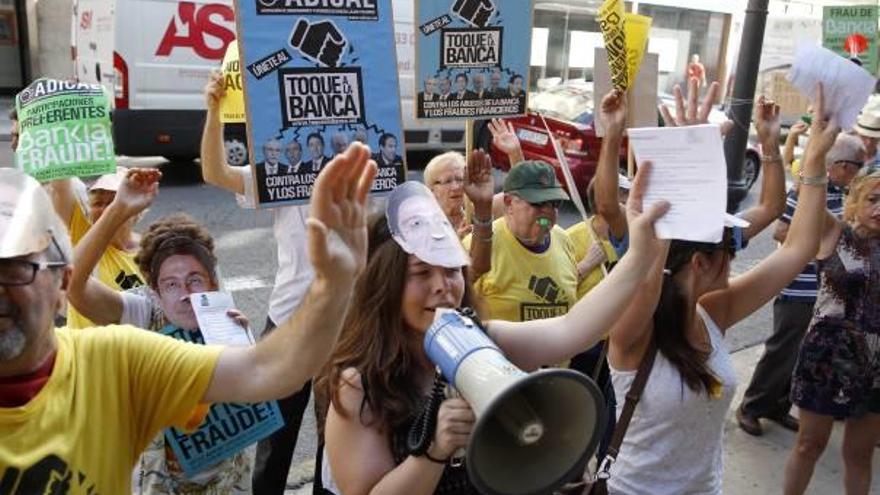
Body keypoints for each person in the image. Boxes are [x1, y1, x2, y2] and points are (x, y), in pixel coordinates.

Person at [0, 141, 376, 494]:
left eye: (16, 269)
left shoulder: (112, 357)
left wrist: (335, 284)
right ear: (154, 291)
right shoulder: (140, 316)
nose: (185, 294)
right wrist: (116, 210)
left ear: (58, 280)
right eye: (171, 283)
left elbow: (274, 371)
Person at [319, 157, 671, 494]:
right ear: (385, 285)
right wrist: (434, 450)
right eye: (422, 273)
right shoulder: (360, 384)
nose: (443, 286)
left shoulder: (480, 340)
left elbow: (571, 330)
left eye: (452, 269)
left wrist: (640, 256)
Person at [598, 83, 838, 495]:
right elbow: (645, 244)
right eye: (729, 248)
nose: (737, 255)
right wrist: (681, 161)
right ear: (701, 262)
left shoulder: (714, 313)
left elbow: (798, 249)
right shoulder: (633, 330)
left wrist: (812, 160)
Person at [200, 74, 341, 494]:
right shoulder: (282, 173)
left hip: (346, 323)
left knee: (335, 440)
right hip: (289, 321)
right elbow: (214, 172)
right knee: (274, 439)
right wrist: (213, 110)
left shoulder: (367, 176)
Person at [737, 133, 865, 437]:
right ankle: (752, 406)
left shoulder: (843, 194)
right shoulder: (806, 191)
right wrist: (823, 238)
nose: (859, 173)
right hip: (798, 287)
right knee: (781, 350)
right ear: (843, 166)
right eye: (857, 167)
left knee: (799, 353)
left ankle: (777, 406)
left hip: (824, 291)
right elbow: (781, 232)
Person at [782, 167, 880, 495]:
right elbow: (811, 200)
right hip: (824, 356)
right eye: (873, 199)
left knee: (859, 453)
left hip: (875, 365)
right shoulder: (835, 232)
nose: (879, 208)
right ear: (855, 201)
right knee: (809, 444)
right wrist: (814, 158)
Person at [464, 160, 577, 323]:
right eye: (538, 203)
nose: (548, 211)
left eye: (554, 203)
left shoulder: (563, 239)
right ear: (509, 203)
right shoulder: (477, 245)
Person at [45, 168, 144, 329]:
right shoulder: (83, 236)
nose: (106, 210)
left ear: (138, 209)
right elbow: (61, 186)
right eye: (98, 203)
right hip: (90, 352)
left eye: (114, 202)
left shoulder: (152, 250)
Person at [423, 151, 471, 237]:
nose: (456, 187)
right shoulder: (425, 226)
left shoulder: (475, 220)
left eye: (460, 179)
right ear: (432, 190)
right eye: (447, 181)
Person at [854, 104, 880, 168]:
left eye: (873, 138)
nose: (869, 142)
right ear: (856, 134)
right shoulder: (841, 155)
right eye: (864, 136)